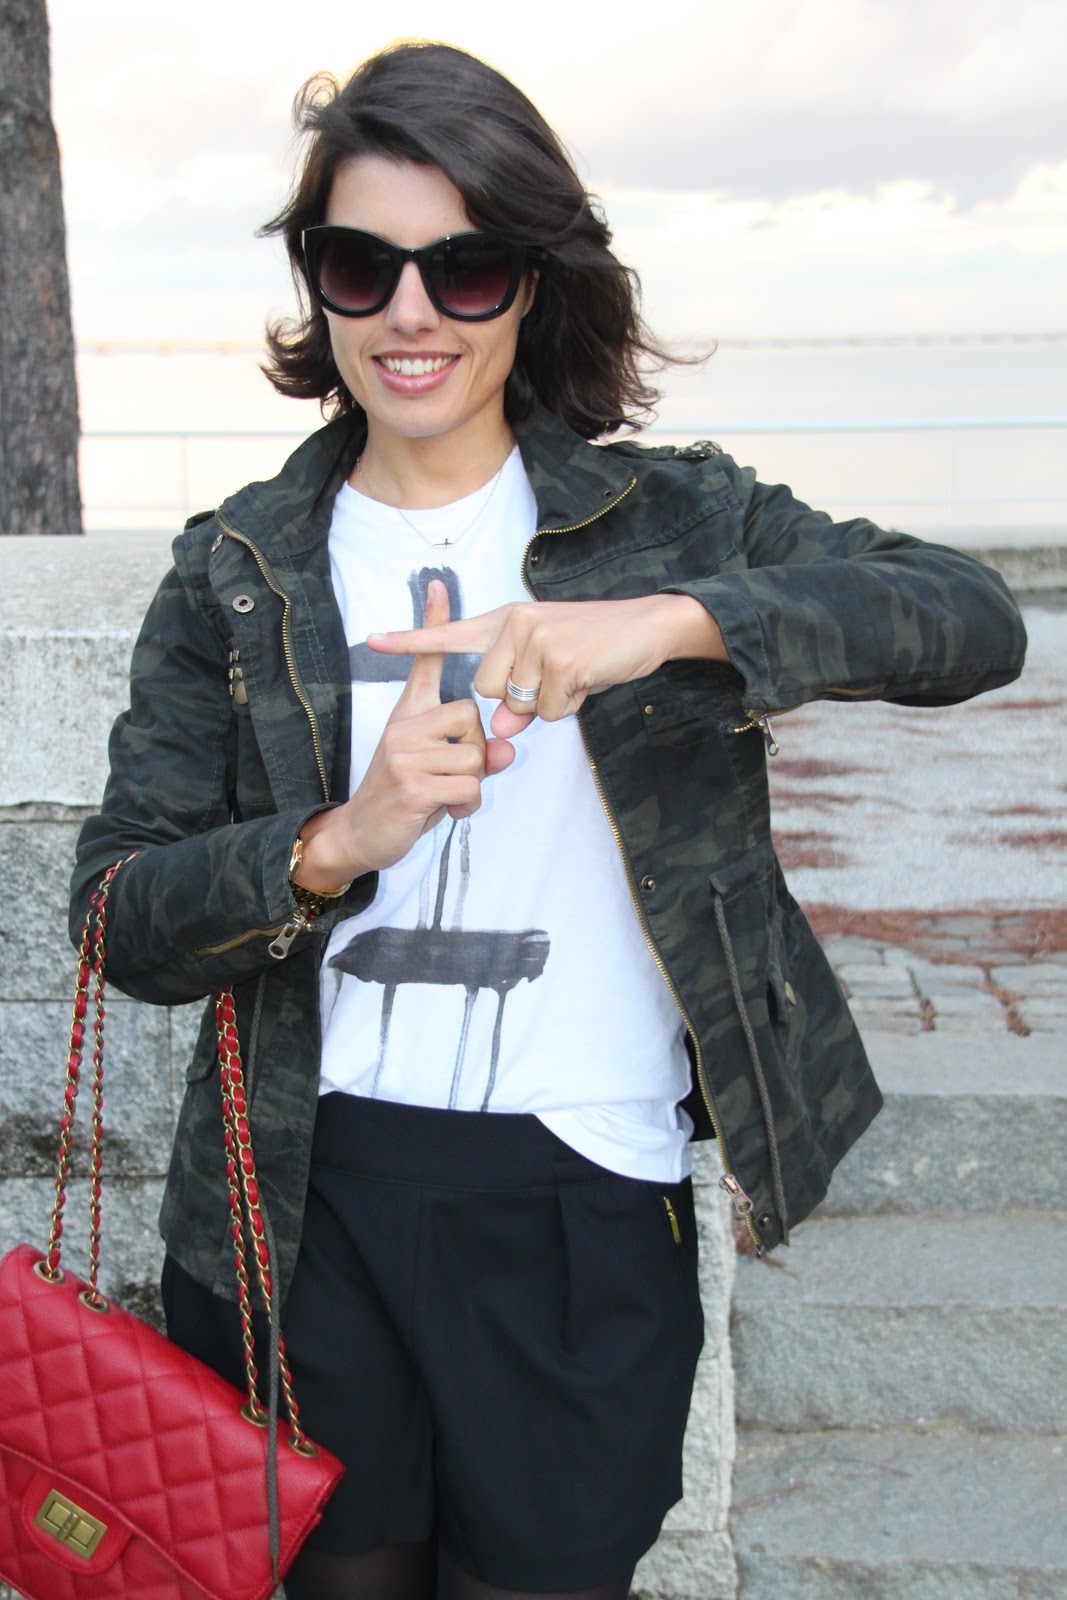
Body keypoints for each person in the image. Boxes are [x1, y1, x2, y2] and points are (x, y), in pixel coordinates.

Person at [70, 40, 1027, 1600]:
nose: (411, 313)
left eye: (465, 268)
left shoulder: (672, 520)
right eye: (362, 264)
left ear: (532, 284)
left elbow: (970, 620)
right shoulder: (238, 570)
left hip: (583, 1193)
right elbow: (118, 917)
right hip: (302, 1205)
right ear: (317, 283)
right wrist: (337, 841)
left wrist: (672, 623)